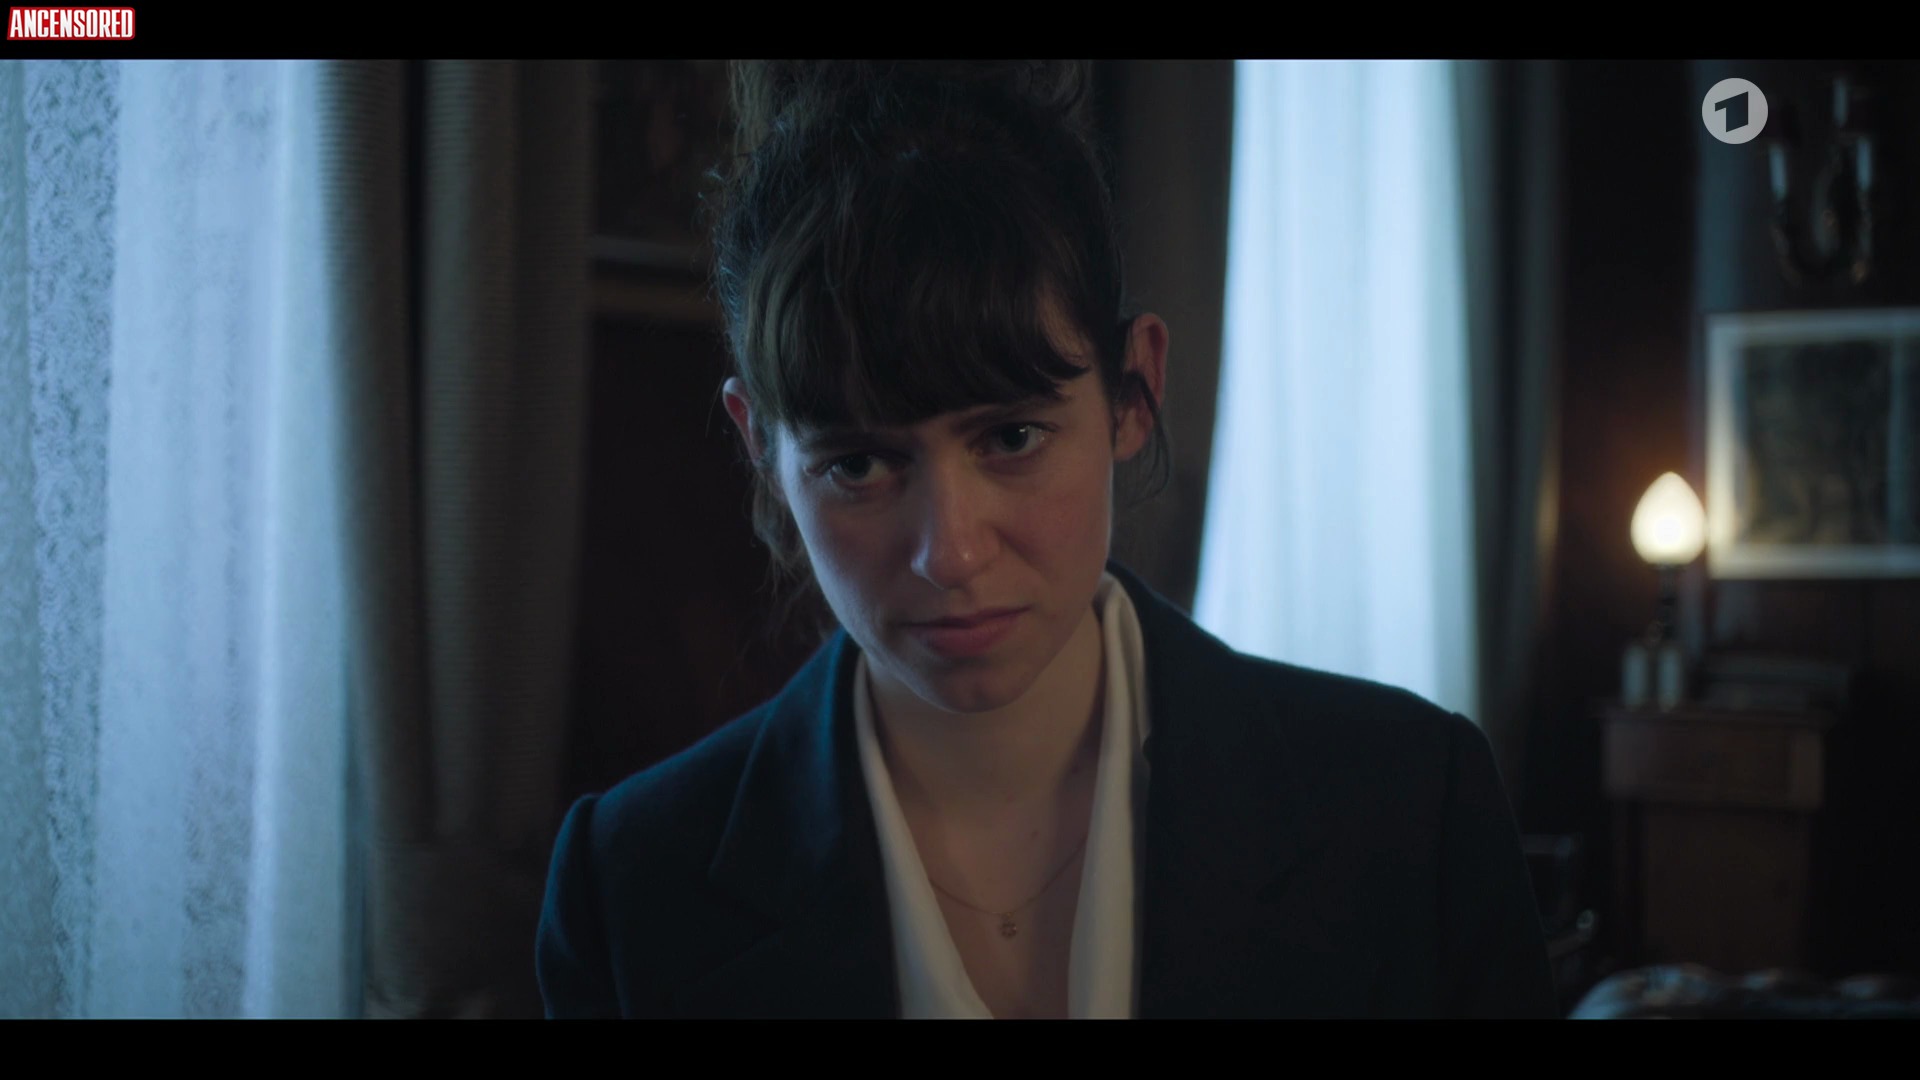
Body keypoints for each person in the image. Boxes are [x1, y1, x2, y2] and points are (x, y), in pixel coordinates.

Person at [536, 59, 1557, 1019]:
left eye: (1013, 438)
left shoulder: (1407, 810)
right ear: (760, 446)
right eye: (859, 464)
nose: (952, 553)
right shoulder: (633, 887)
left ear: (1134, 391)